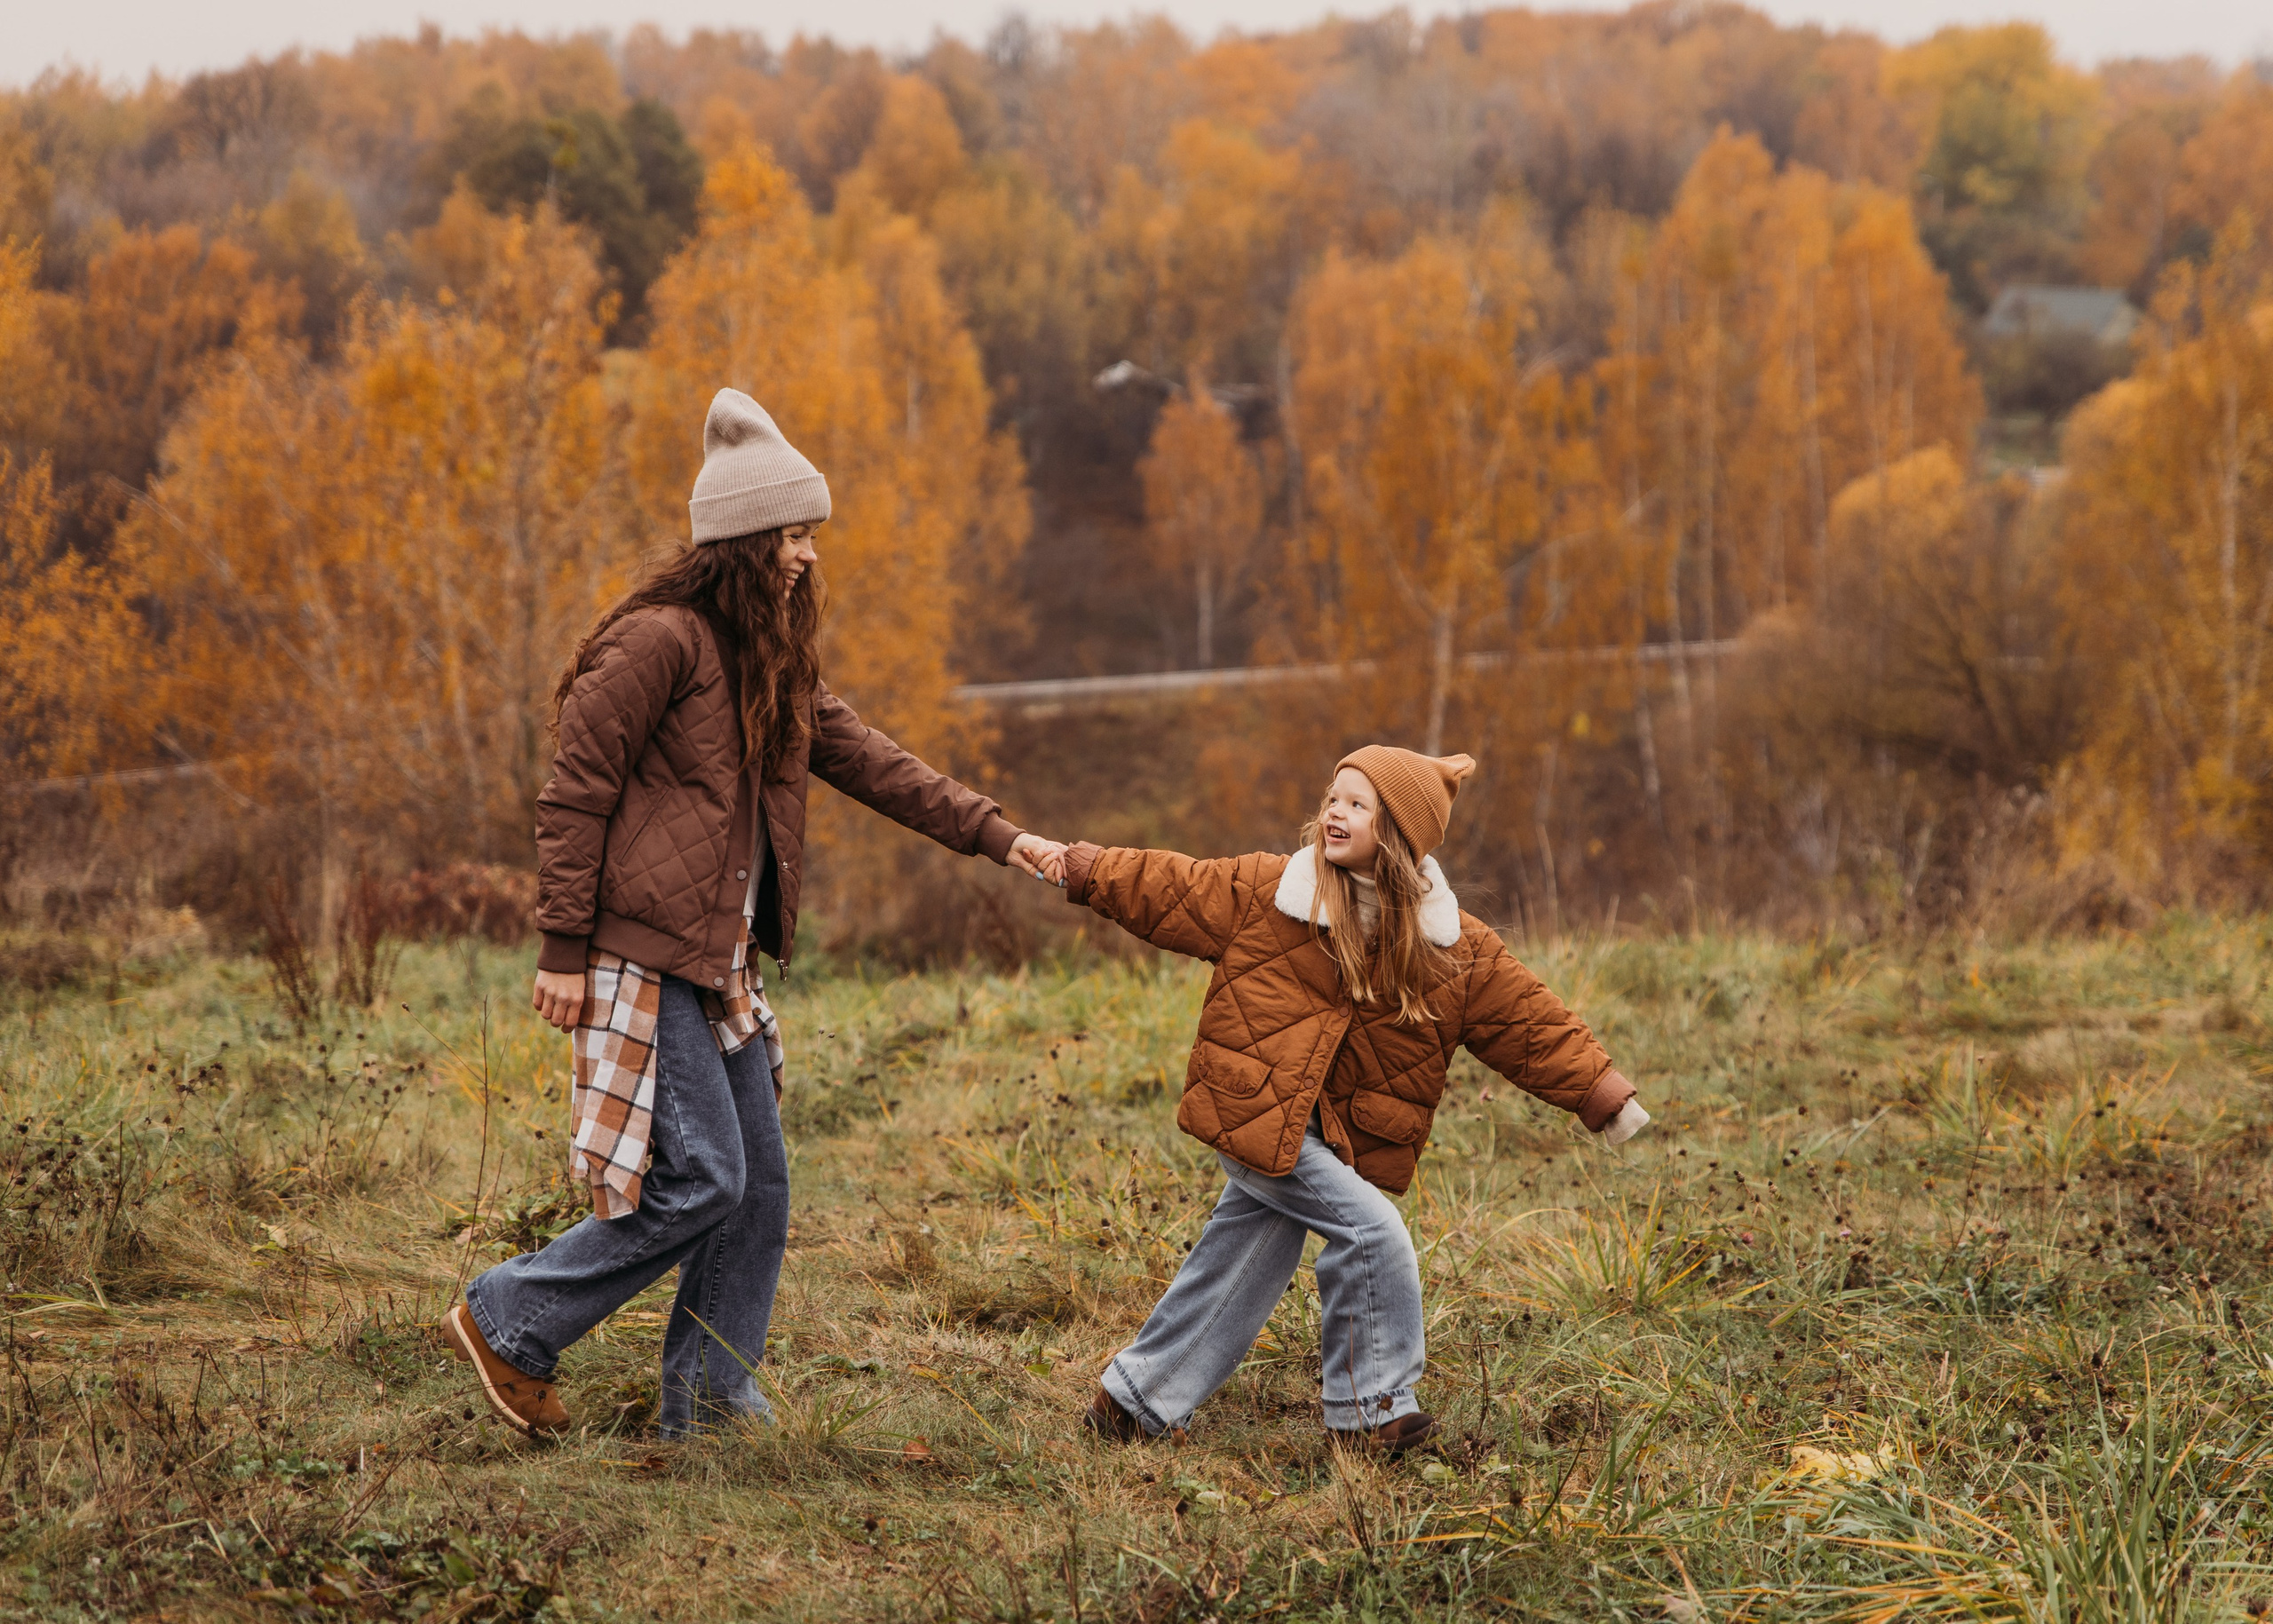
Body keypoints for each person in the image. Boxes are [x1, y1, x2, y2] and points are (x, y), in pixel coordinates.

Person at [444, 388, 1065, 1438]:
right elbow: (574, 791)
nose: (806, 556)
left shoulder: (767, 662)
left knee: (760, 1186)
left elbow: (874, 763)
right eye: (791, 534)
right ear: (740, 541)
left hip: (716, 960)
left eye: (809, 535)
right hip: (640, 951)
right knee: (705, 1178)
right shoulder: (658, 643)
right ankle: (510, 1315)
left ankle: (708, 1397)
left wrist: (1003, 837)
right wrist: (560, 949)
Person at [1041, 746, 1648, 1454]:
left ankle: (1132, 1403)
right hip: (1259, 1109)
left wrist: (1600, 1093)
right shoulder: (1271, 892)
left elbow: (1527, 1023)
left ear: (1397, 833)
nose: (1336, 812)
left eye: (1359, 804)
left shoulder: (1452, 947)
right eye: (1334, 796)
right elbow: (1172, 886)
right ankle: (1370, 1412)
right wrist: (1083, 867)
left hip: (1333, 1135)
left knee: (1251, 1248)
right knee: (1373, 1232)